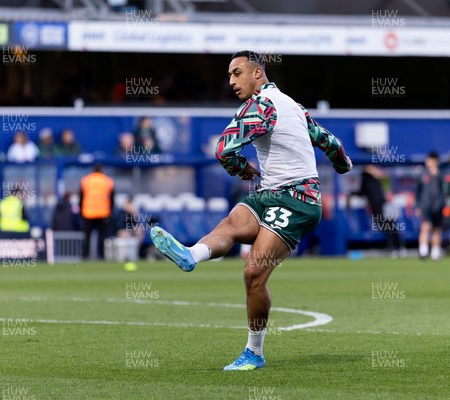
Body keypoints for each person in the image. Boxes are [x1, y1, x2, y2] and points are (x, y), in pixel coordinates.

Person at [150, 50, 352, 371]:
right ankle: (192, 254)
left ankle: (254, 352)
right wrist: (342, 163)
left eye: (237, 73)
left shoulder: (261, 106)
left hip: (297, 199)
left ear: (258, 74)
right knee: (233, 223)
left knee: (253, 274)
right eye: (229, 75)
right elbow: (327, 140)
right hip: (271, 192)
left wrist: (241, 167)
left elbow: (224, 149)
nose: (231, 81)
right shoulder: (293, 106)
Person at [355, 165, 404, 257]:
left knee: (388, 226)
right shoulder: (371, 178)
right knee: (390, 225)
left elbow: (361, 192)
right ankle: (396, 248)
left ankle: (394, 248)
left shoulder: (371, 178)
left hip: (380, 204)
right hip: (383, 203)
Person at [416, 151, 449, 260]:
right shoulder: (422, 175)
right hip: (426, 206)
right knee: (425, 227)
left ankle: (435, 252)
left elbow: (445, 191)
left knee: (437, 229)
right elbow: (418, 192)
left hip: (439, 206)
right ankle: (423, 251)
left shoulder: (442, 175)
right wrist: (418, 206)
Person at [80, 164, 114, 259]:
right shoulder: (107, 180)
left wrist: (81, 210)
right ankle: (101, 255)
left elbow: (81, 197)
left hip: (88, 212)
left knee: (87, 236)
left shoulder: (86, 180)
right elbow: (112, 198)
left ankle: (85, 255)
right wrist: (110, 211)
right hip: (103, 213)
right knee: (102, 236)